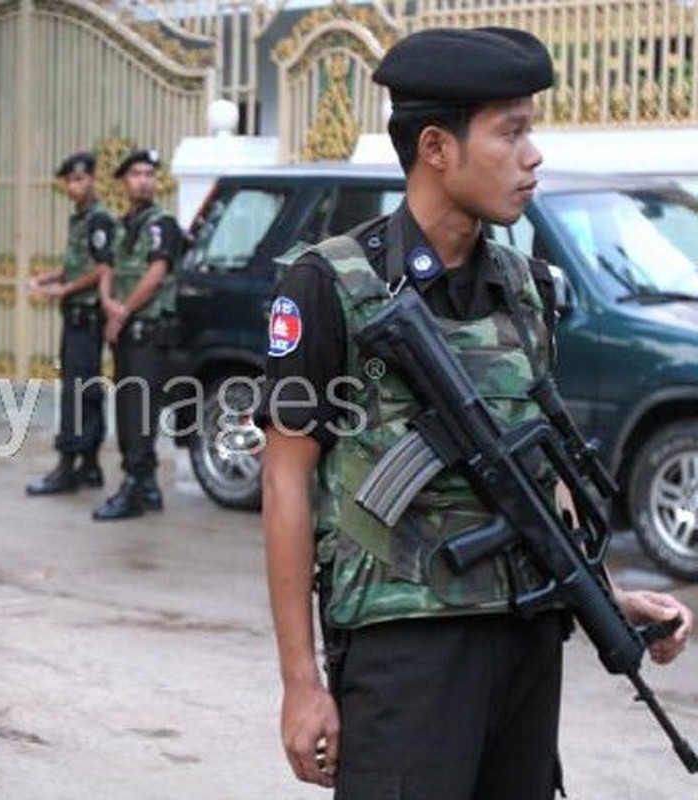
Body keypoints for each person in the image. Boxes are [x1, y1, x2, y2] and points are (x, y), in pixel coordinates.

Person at [257, 27, 693, 800]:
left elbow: (537, 468)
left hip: (526, 637)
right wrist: (300, 682)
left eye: (532, 129)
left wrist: (602, 591)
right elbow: (286, 483)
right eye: (511, 131)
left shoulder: (529, 289)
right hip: (404, 651)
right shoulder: (327, 286)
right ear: (437, 146)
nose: (534, 154)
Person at [93, 148, 182, 521]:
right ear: (123, 181)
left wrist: (123, 311)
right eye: (136, 174)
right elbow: (107, 269)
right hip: (125, 331)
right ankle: (147, 487)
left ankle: (134, 486)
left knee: (139, 412)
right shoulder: (121, 224)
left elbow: (157, 272)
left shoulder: (163, 224)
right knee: (127, 408)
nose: (143, 180)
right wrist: (107, 303)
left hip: (148, 332)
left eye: (149, 173)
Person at [25, 151, 115, 496]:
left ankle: (67, 466)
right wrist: (49, 278)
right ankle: (89, 466)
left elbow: (102, 268)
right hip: (76, 312)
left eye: (81, 179)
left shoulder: (98, 220)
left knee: (78, 392)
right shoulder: (79, 219)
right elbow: (77, 265)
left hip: (87, 314)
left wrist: (65, 288)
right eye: (71, 181)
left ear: (92, 179)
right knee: (85, 390)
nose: (76, 186)